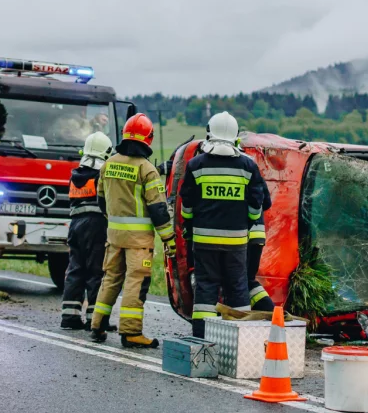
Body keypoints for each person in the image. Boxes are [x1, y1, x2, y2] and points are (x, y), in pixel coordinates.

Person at [89, 113, 175, 348]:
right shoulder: (147, 169)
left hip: (114, 237)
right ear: (148, 139)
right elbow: (158, 209)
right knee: (135, 283)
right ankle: (131, 332)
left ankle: (97, 325)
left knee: (110, 280)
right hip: (139, 242)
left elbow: (101, 201)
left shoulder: (108, 164)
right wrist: (169, 239)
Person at [179, 112, 267, 338]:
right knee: (238, 289)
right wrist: (246, 223)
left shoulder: (196, 165)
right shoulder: (248, 166)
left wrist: (188, 226)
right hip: (236, 242)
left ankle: (201, 338)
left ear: (209, 133)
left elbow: (186, 204)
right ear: (235, 136)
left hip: (204, 241)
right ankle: (241, 339)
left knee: (206, 288)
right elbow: (257, 204)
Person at [61, 132, 115, 330]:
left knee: (75, 270)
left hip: (75, 227)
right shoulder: (101, 176)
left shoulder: (75, 177)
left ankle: (69, 317)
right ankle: (95, 319)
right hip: (96, 226)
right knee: (96, 272)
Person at [247, 182, 275, 312]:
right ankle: (270, 312)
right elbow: (267, 203)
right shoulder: (254, 172)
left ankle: (270, 312)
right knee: (248, 280)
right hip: (257, 236)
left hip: (242, 237)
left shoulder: (240, 170)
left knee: (240, 281)